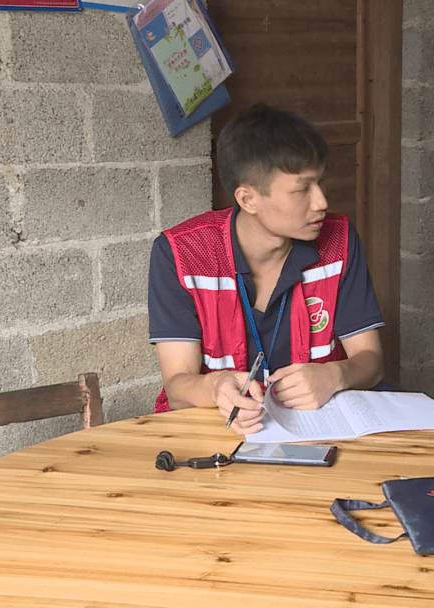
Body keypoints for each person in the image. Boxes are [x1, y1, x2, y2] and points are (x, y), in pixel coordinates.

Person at [147, 103, 385, 434]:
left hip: (318, 429)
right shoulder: (180, 253)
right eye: (303, 188)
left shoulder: (340, 240)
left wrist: (335, 375)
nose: (321, 202)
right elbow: (177, 388)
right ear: (248, 200)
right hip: (215, 432)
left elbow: (371, 361)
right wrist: (216, 389)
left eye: (320, 183)